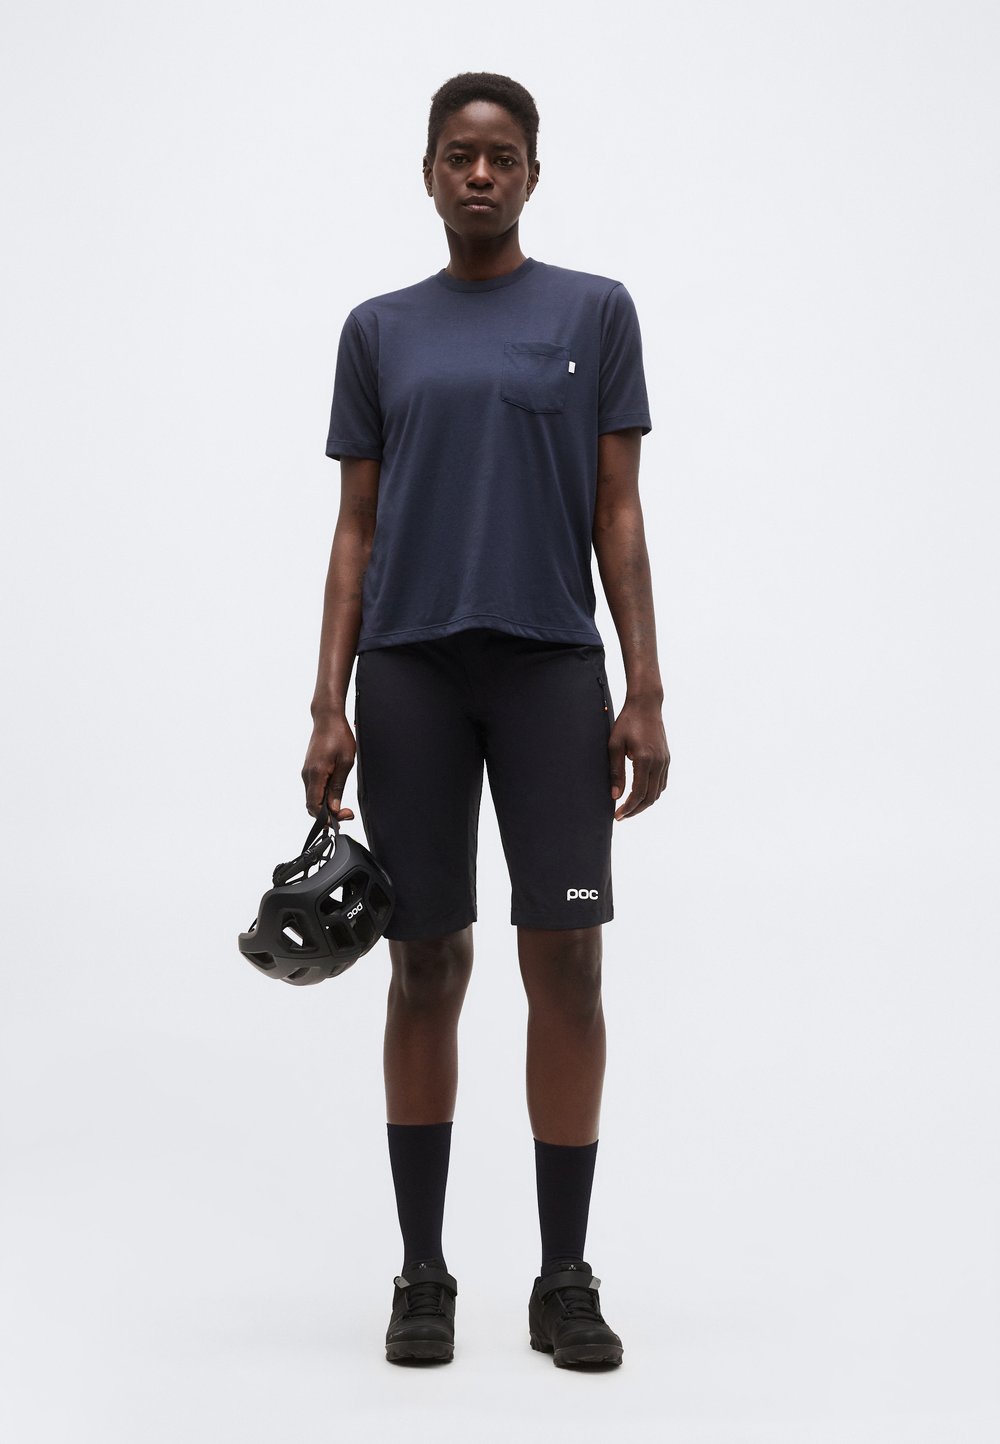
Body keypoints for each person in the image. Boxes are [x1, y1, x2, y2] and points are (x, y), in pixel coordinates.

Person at [303, 71, 669, 1370]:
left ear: (530, 174)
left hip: (549, 671)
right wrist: (327, 701)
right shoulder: (378, 331)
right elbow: (355, 528)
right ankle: (423, 1272)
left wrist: (644, 687)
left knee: (566, 962)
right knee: (424, 963)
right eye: (458, 155)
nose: (478, 173)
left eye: (500, 156)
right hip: (409, 671)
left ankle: (565, 1276)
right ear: (427, 172)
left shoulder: (594, 313)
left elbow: (617, 511)